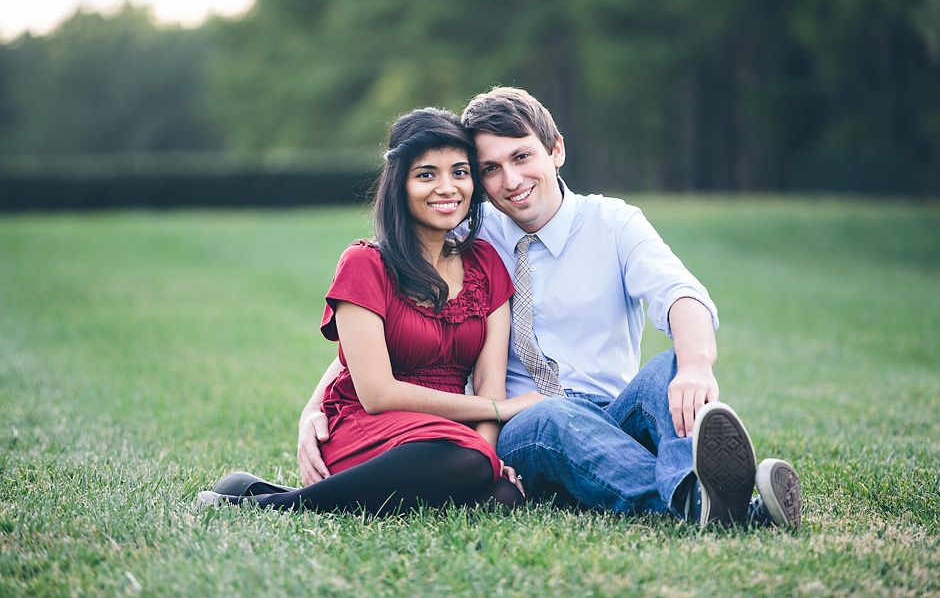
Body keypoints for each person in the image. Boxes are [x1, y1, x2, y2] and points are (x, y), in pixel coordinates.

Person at [297, 88, 802, 529]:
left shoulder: (613, 223)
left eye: (522, 157)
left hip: (611, 413)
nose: (510, 180)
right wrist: (315, 409)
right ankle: (705, 506)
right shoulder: (472, 238)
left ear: (556, 150)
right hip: (526, 427)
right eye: (490, 168)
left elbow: (681, 295)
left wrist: (694, 366)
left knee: (668, 368)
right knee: (555, 415)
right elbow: (392, 325)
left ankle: (704, 499)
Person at [198, 108, 542, 515]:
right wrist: (497, 415)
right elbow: (378, 394)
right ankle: (277, 505)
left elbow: (489, 383)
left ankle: (256, 490)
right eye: (427, 174)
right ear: (400, 184)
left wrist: (487, 460)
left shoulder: (486, 262)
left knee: (502, 497)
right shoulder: (364, 263)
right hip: (365, 423)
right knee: (467, 461)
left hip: (446, 438)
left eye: (460, 172)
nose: (447, 188)